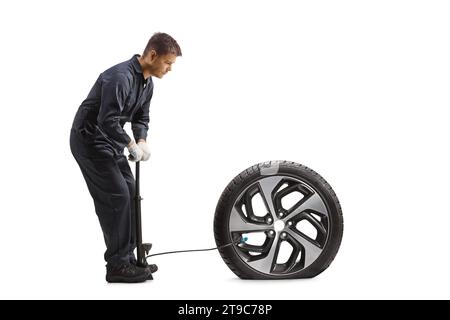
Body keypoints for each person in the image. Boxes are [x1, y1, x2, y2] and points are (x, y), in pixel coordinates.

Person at [70, 32, 182, 283]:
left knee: (130, 192)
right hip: (89, 140)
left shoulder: (147, 82)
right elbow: (106, 120)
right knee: (116, 197)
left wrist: (141, 140)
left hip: (109, 140)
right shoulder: (119, 77)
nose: (169, 69)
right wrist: (129, 144)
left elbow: (141, 117)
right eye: (168, 62)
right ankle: (117, 265)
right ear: (152, 55)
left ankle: (130, 257)